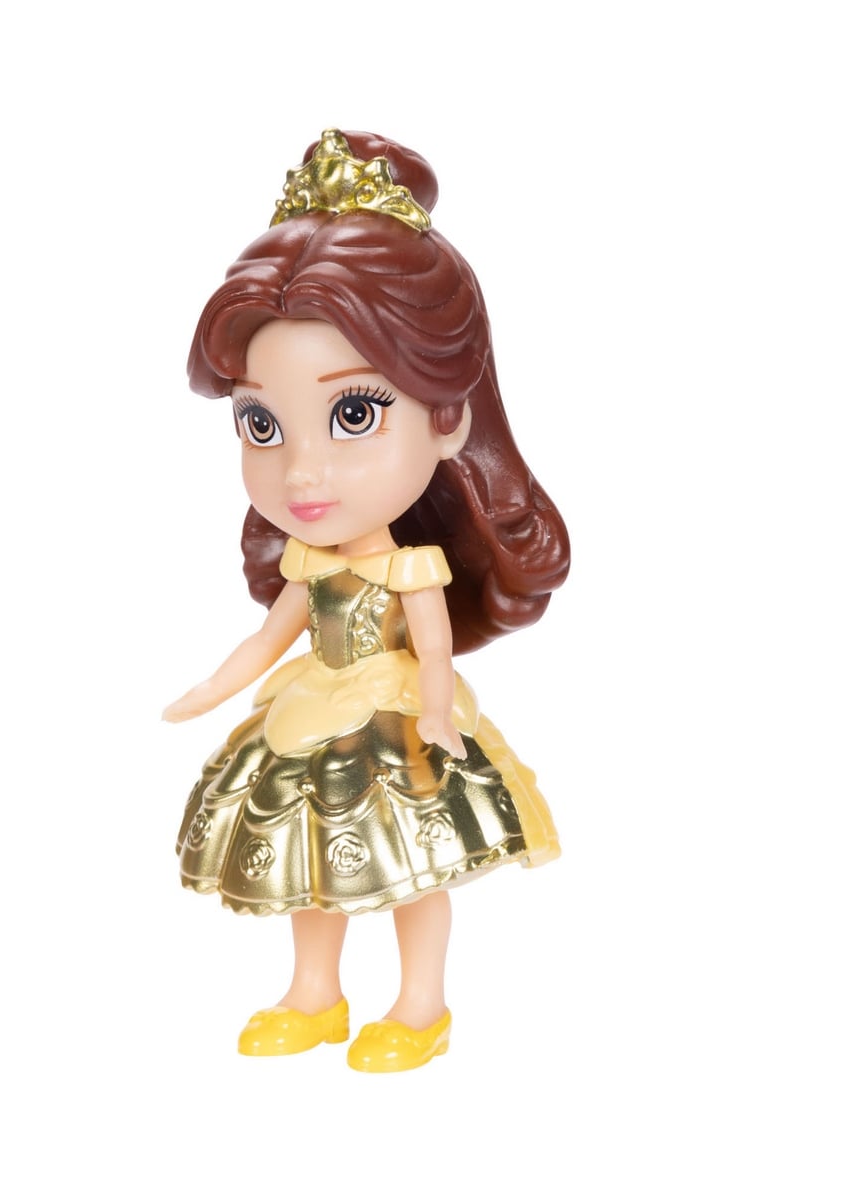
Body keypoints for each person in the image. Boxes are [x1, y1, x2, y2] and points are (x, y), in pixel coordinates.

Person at [163, 130, 570, 1071]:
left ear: (447, 417)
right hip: (309, 711)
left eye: (353, 414)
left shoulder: (413, 571)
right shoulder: (310, 563)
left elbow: (433, 651)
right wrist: (209, 691)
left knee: (412, 870)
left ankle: (421, 1004)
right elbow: (270, 638)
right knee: (308, 860)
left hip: (394, 718)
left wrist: (436, 714)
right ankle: (315, 992)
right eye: (261, 422)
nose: (302, 472)